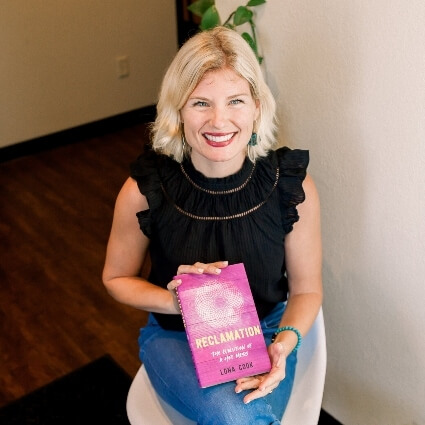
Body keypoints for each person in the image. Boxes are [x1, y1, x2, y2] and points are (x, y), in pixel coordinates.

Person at [102, 26, 322, 425]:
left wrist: (282, 345)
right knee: (238, 418)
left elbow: (307, 289)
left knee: (244, 417)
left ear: (257, 106)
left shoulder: (289, 184)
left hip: (265, 330)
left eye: (235, 100)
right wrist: (178, 302)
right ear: (178, 110)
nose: (219, 121)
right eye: (200, 102)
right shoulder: (145, 188)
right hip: (176, 335)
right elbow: (116, 278)